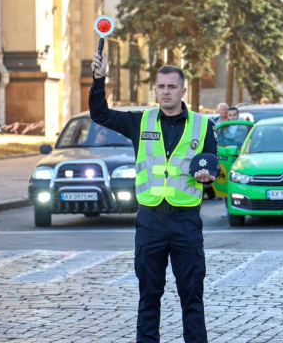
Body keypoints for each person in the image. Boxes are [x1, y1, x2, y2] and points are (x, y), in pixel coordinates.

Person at [90, 52, 217, 343]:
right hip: (150, 223)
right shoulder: (140, 122)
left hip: (186, 223)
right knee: (149, 296)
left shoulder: (203, 125)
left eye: (172, 87)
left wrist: (208, 175)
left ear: (183, 91)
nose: (166, 92)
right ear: (155, 90)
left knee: (192, 297)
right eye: (161, 87)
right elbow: (100, 114)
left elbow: (211, 163)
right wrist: (99, 79)